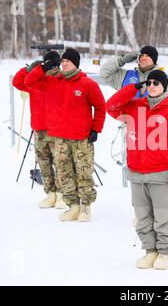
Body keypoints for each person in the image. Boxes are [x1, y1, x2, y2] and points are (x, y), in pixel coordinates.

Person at [105, 70, 168, 270]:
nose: (152, 86)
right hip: (137, 174)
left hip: (162, 175)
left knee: (163, 217)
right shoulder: (136, 106)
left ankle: (164, 252)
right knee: (142, 218)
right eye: (149, 82)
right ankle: (150, 251)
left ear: (165, 86)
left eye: (156, 83)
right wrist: (132, 88)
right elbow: (111, 107)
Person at [25, 48, 106, 222]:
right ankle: (73, 207)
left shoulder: (88, 84)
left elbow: (100, 107)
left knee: (83, 172)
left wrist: (95, 129)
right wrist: (42, 67)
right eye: (62, 61)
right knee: (64, 173)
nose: (64, 63)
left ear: (75, 63)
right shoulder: (52, 81)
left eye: (67, 61)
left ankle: (85, 207)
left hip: (81, 138)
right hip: (60, 138)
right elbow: (29, 82)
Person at [12, 50, 66, 209]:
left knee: (60, 163)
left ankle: (62, 194)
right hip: (39, 129)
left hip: (58, 130)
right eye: (50, 64)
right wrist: (30, 69)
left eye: (56, 64)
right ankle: (51, 194)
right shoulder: (35, 81)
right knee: (44, 163)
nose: (53, 68)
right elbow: (17, 82)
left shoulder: (61, 79)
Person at [99, 45, 168, 103]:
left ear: (154, 60)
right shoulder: (125, 76)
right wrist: (122, 60)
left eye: (148, 56)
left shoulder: (165, 78)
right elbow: (104, 73)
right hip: (129, 125)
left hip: (155, 125)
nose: (144, 58)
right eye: (142, 55)